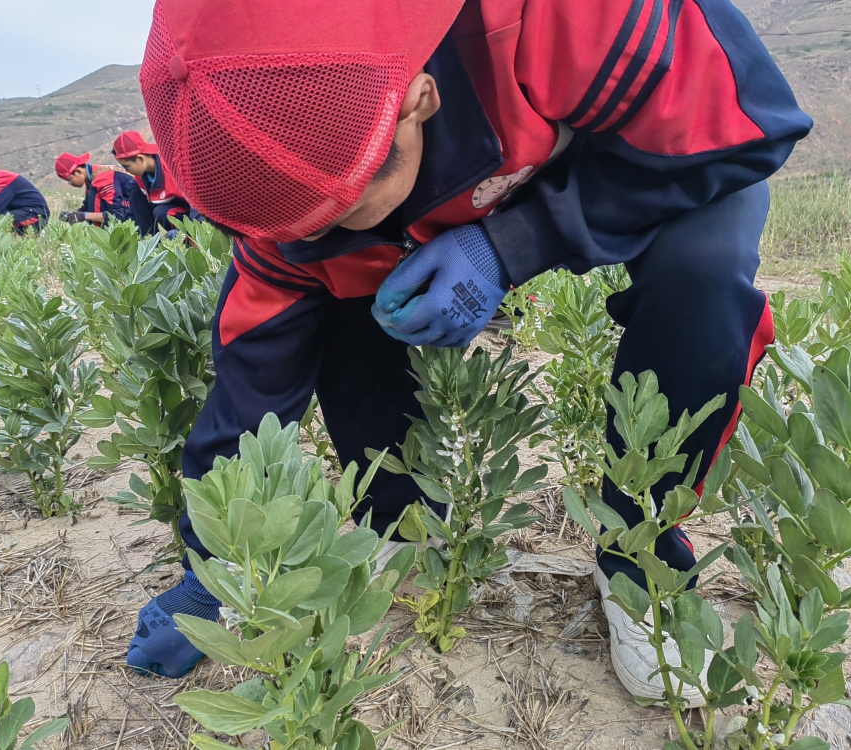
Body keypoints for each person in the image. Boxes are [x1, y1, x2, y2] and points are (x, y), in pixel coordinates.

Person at [126, 0, 812, 703]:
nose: (320, 240)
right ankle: (402, 521)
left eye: (343, 213)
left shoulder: (560, 15)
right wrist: (211, 570)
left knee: (704, 276)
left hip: (650, 157)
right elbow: (251, 378)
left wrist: (512, 243)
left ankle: (640, 563)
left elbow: (746, 132)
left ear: (418, 99)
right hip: (454, 172)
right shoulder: (285, 200)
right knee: (338, 295)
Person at [112, 131, 191, 234]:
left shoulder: (173, 169)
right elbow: (136, 209)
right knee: (136, 193)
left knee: (161, 213)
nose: (126, 171)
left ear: (140, 159)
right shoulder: (141, 177)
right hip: (176, 209)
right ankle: (150, 243)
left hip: (194, 213)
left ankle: (188, 238)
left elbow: (198, 205)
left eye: (127, 166)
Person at [53, 152, 133, 227]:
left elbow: (117, 215)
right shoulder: (92, 177)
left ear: (78, 172)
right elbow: (87, 206)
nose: (70, 184)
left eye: (69, 180)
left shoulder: (103, 179)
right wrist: (73, 216)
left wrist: (84, 216)